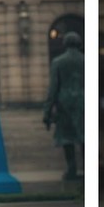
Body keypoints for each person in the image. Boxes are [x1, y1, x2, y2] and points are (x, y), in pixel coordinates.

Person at [43, 31, 84, 180]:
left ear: (65, 43)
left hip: (65, 103)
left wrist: (47, 111)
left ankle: (71, 170)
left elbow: (53, 88)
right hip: (84, 101)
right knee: (84, 137)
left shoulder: (58, 62)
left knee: (68, 138)